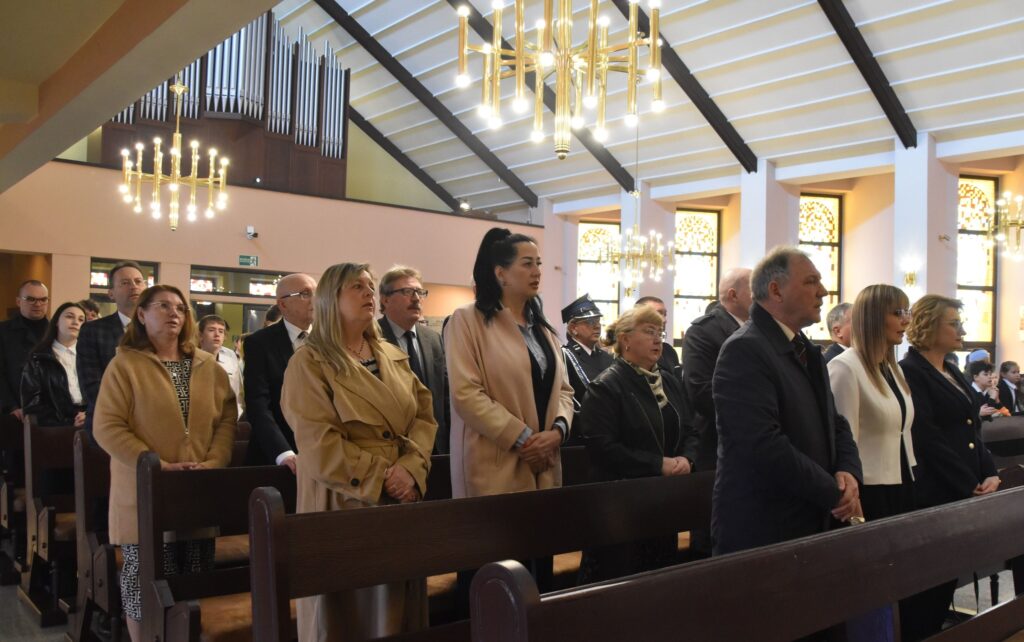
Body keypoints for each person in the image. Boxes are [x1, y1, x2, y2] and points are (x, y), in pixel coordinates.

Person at [281, 263, 436, 641]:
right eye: (356, 286)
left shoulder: (391, 355)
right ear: (330, 299)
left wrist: (412, 469)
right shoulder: (310, 361)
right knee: (348, 617)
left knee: (397, 611)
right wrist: (384, 477)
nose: (368, 292)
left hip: (400, 495)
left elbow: (424, 418)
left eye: (370, 285)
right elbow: (318, 442)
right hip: (345, 497)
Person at [92, 285, 236, 642]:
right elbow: (107, 426)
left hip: (196, 487)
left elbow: (226, 419)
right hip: (144, 488)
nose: (174, 313)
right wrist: (154, 464)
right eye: (163, 306)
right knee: (146, 587)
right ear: (141, 314)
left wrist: (215, 461)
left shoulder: (207, 365)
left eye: (181, 308)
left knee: (194, 580)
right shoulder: (125, 364)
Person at [712, 246, 862, 556]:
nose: (822, 292)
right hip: (766, 524)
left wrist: (848, 472)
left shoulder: (805, 349)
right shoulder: (744, 349)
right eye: (811, 281)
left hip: (811, 512)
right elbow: (761, 444)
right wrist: (832, 490)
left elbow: (835, 422)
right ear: (776, 290)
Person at [445, 228, 575, 499]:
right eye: (527, 264)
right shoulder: (467, 320)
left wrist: (557, 432)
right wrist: (524, 439)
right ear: (501, 273)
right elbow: (466, 394)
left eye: (538, 264)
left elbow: (564, 390)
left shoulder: (542, 328)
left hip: (545, 459)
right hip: (496, 462)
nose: (536, 272)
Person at [899, 294, 1000, 641]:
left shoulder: (951, 369)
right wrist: (968, 482)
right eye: (954, 324)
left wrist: (990, 472)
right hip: (936, 489)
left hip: (962, 486)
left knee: (945, 582)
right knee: (928, 589)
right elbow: (927, 437)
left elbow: (972, 429)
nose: (962, 330)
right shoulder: (911, 371)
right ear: (928, 325)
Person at [577, 305, 698, 583]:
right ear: (626, 340)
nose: (658, 339)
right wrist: (657, 464)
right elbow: (603, 449)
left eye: (660, 332)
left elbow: (691, 429)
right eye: (649, 331)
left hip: (663, 502)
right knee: (622, 583)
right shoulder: (606, 386)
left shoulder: (668, 381)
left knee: (660, 582)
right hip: (621, 509)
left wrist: (687, 459)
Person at [243, 273, 316, 470]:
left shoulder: (327, 340)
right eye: (305, 294)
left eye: (317, 293)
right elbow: (258, 404)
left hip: (321, 452)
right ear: (282, 304)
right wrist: (283, 452)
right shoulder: (259, 343)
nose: (314, 300)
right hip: (277, 455)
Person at [683, 267, 751, 472]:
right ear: (733, 295)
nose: (762, 294)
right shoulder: (703, 332)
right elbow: (700, 390)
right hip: (718, 441)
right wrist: (752, 414)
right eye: (754, 289)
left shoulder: (758, 329)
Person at [377, 266, 448, 454]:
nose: (416, 298)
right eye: (407, 292)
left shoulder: (433, 339)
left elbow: (444, 394)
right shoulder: (371, 338)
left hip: (437, 446)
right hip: (394, 447)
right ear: (385, 299)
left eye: (420, 292)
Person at [77, 261, 146, 434]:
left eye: (138, 281)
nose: (134, 287)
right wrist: (132, 412)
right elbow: (91, 385)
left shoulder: (156, 330)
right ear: (111, 294)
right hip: (109, 421)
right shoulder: (93, 330)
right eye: (125, 283)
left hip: (152, 422)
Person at [20, 302, 87, 427]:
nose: (75, 322)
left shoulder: (91, 356)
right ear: (56, 322)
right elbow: (32, 406)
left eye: (81, 319)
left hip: (90, 424)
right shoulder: (38, 359)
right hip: (55, 428)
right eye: (69, 316)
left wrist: (90, 415)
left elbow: (102, 396)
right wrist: (68, 423)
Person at [560, 294, 614, 445]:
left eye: (598, 321)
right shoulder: (564, 355)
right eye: (590, 322)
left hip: (611, 432)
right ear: (573, 328)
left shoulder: (607, 357)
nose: (597, 326)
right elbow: (568, 398)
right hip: (581, 435)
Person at [0, 280, 50, 422]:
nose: (38, 304)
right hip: (15, 409)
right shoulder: (3, 331)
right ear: (18, 301)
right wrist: (10, 406)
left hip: (49, 411)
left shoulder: (56, 331)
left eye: (43, 299)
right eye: (31, 299)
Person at [198, 315, 243, 417]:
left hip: (230, 417)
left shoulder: (231, 357)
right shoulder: (191, 359)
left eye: (221, 331)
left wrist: (237, 416)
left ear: (225, 336)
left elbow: (238, 392)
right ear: (200, 335)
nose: (217, 334)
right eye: (211, 330)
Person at [634, 296, 680, 375]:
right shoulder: (631, 352)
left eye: (665, 314)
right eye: (658, 314)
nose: (664, 320)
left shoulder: (668, 351)